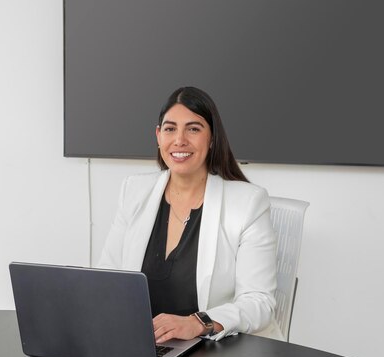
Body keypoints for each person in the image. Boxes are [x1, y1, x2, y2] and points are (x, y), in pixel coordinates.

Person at [98, 86, 279, 342]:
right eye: (170, 129)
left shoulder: (248, 203)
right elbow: (108, 277)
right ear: (158, 136)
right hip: (144, 345)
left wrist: (198, 323)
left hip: (214, 350)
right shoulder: (134, 191)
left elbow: (259, 302)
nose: (179, 140)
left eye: (193, 129)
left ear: (212, 138)